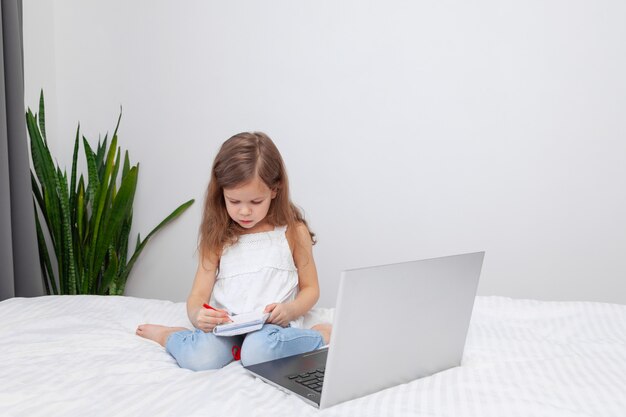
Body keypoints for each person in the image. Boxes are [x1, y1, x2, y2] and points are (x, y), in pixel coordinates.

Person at [136, 132, 331, 371]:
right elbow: (198, 295)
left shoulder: (292, 231)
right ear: (221, 193)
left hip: (271, 328)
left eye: (255, 202)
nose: (244, 212)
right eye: (234, 202)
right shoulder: (218, 235)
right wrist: (198, 315)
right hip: (228, 327)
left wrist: (290, 310)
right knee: (200, 358)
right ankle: (170, 336)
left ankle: (321, 335)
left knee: (258, 352)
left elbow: (311, 289)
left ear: (275, 189)